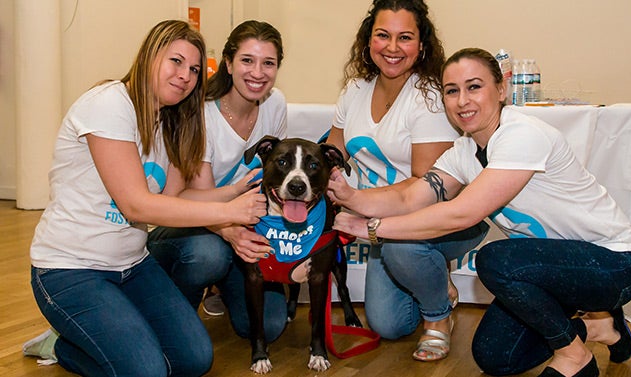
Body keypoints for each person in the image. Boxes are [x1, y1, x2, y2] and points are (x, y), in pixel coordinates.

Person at [327, 47, 631, 377]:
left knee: (496, 259)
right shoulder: (463, 151)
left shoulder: (521, 133)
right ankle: (600, 327)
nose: (462, 100)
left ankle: (573, 356)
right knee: (495, 356)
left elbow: (460, 215)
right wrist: (351, 197)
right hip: (552, 271)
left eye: (474, 86)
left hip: (616, 262)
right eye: (452, 91)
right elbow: (411, 197)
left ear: (501, 89)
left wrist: (373, 228)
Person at [22, 20, 267, 376]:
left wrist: (237, 189)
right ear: (150, 56)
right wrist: (229, 211)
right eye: (176, 61)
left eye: (195, 69)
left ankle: (84, 340)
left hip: (132, 265)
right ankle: (64, 343)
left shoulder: (170, 121)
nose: (186, 75)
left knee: (194, 359)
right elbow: (136, 205)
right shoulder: (109, 104)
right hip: (69, 269)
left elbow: (175, 198)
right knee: (147, 371)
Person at [325, 0, 488, 362]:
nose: (392, 47)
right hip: (376, 216)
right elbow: (333, 152)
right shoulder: (355, 89)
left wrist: (356, 201)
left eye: (405, 37)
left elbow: (423, 188)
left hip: (434, 217)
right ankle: (431, 278)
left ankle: (437, 318)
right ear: (368, 40)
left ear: (422, 45)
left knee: (402, 247)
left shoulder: (430, 96)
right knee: (389, 325)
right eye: (383, 35)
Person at [146, 20, 289, 343]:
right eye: (247, 61)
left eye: (269, 63)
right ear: (228, 63)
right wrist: (231, 230)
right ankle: (173, 317)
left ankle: (222, 286)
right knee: (209, 253)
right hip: (192, 227)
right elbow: (189, 198)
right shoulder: (200, 111)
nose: (258, 73)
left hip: (240, 224)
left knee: (269, 327)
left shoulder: (275, 104)